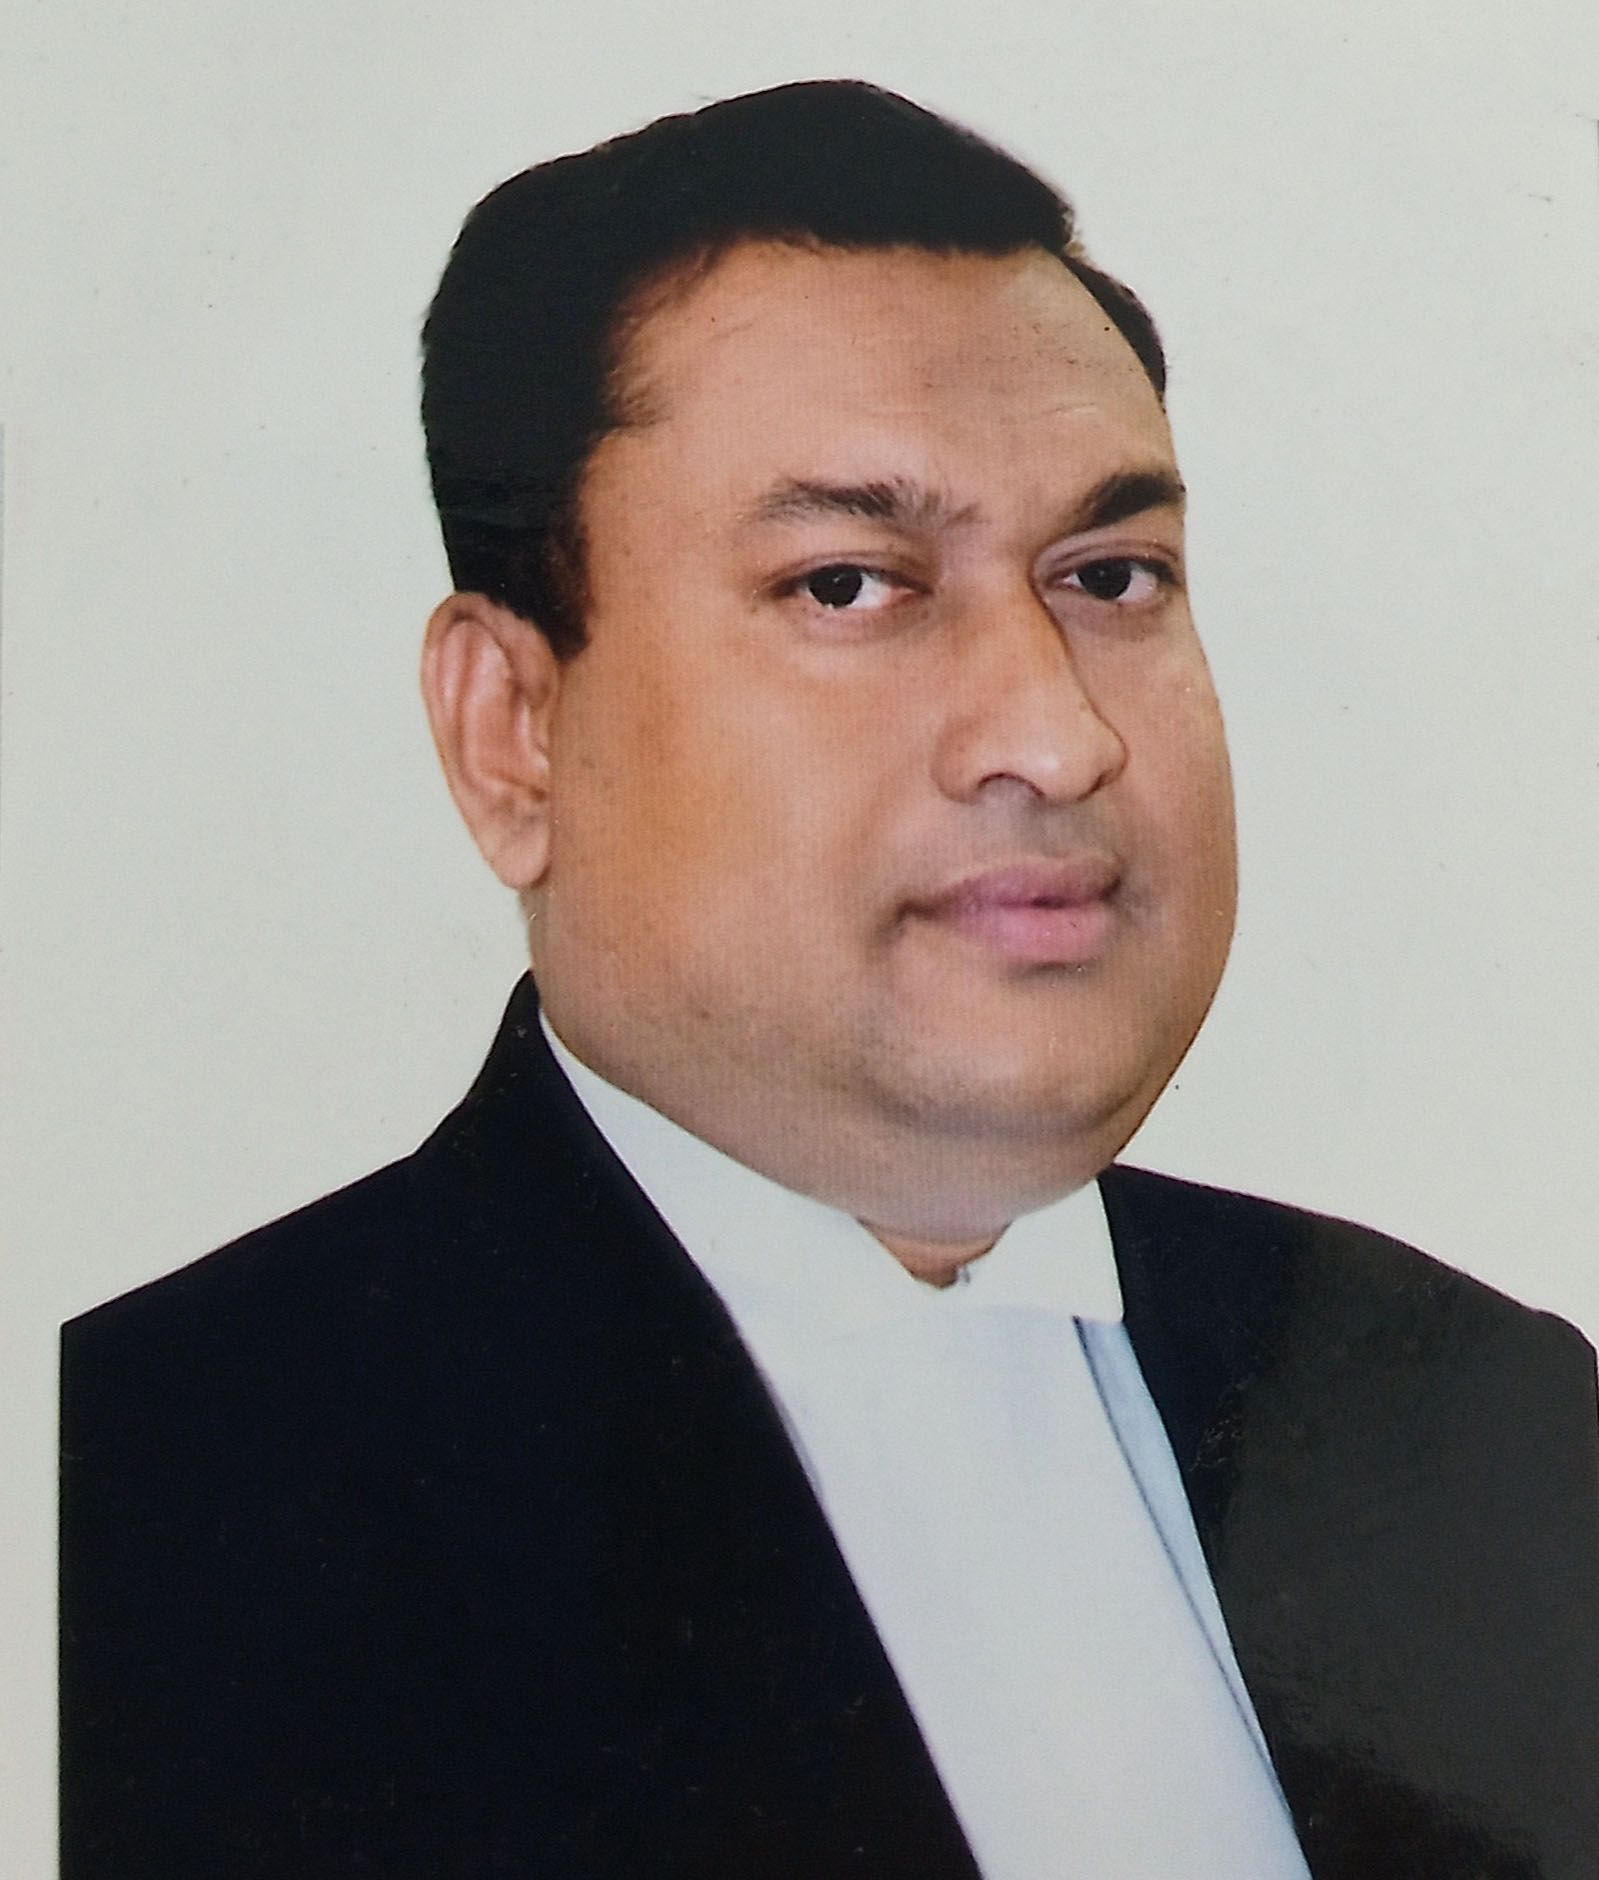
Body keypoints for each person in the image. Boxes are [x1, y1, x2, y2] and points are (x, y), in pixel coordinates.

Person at [59, 80, 1599, 1879]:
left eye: (1111, 575)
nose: (1057, 734)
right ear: (513, 731)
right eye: (851, 587)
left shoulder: (1476, 1418)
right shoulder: (133, 1518)